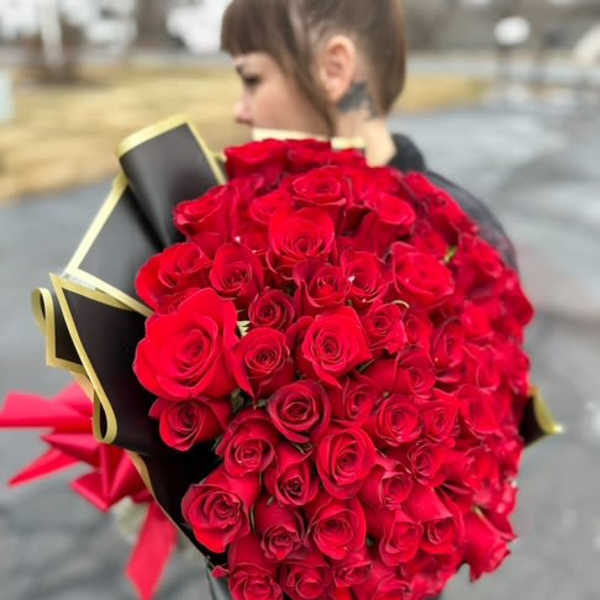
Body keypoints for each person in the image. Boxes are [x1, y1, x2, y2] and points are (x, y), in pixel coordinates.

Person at [220, 0, 517, 270]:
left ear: (334, 70)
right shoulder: (238, 216)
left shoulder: (466, 239)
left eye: (251, 79)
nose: (239, 111)